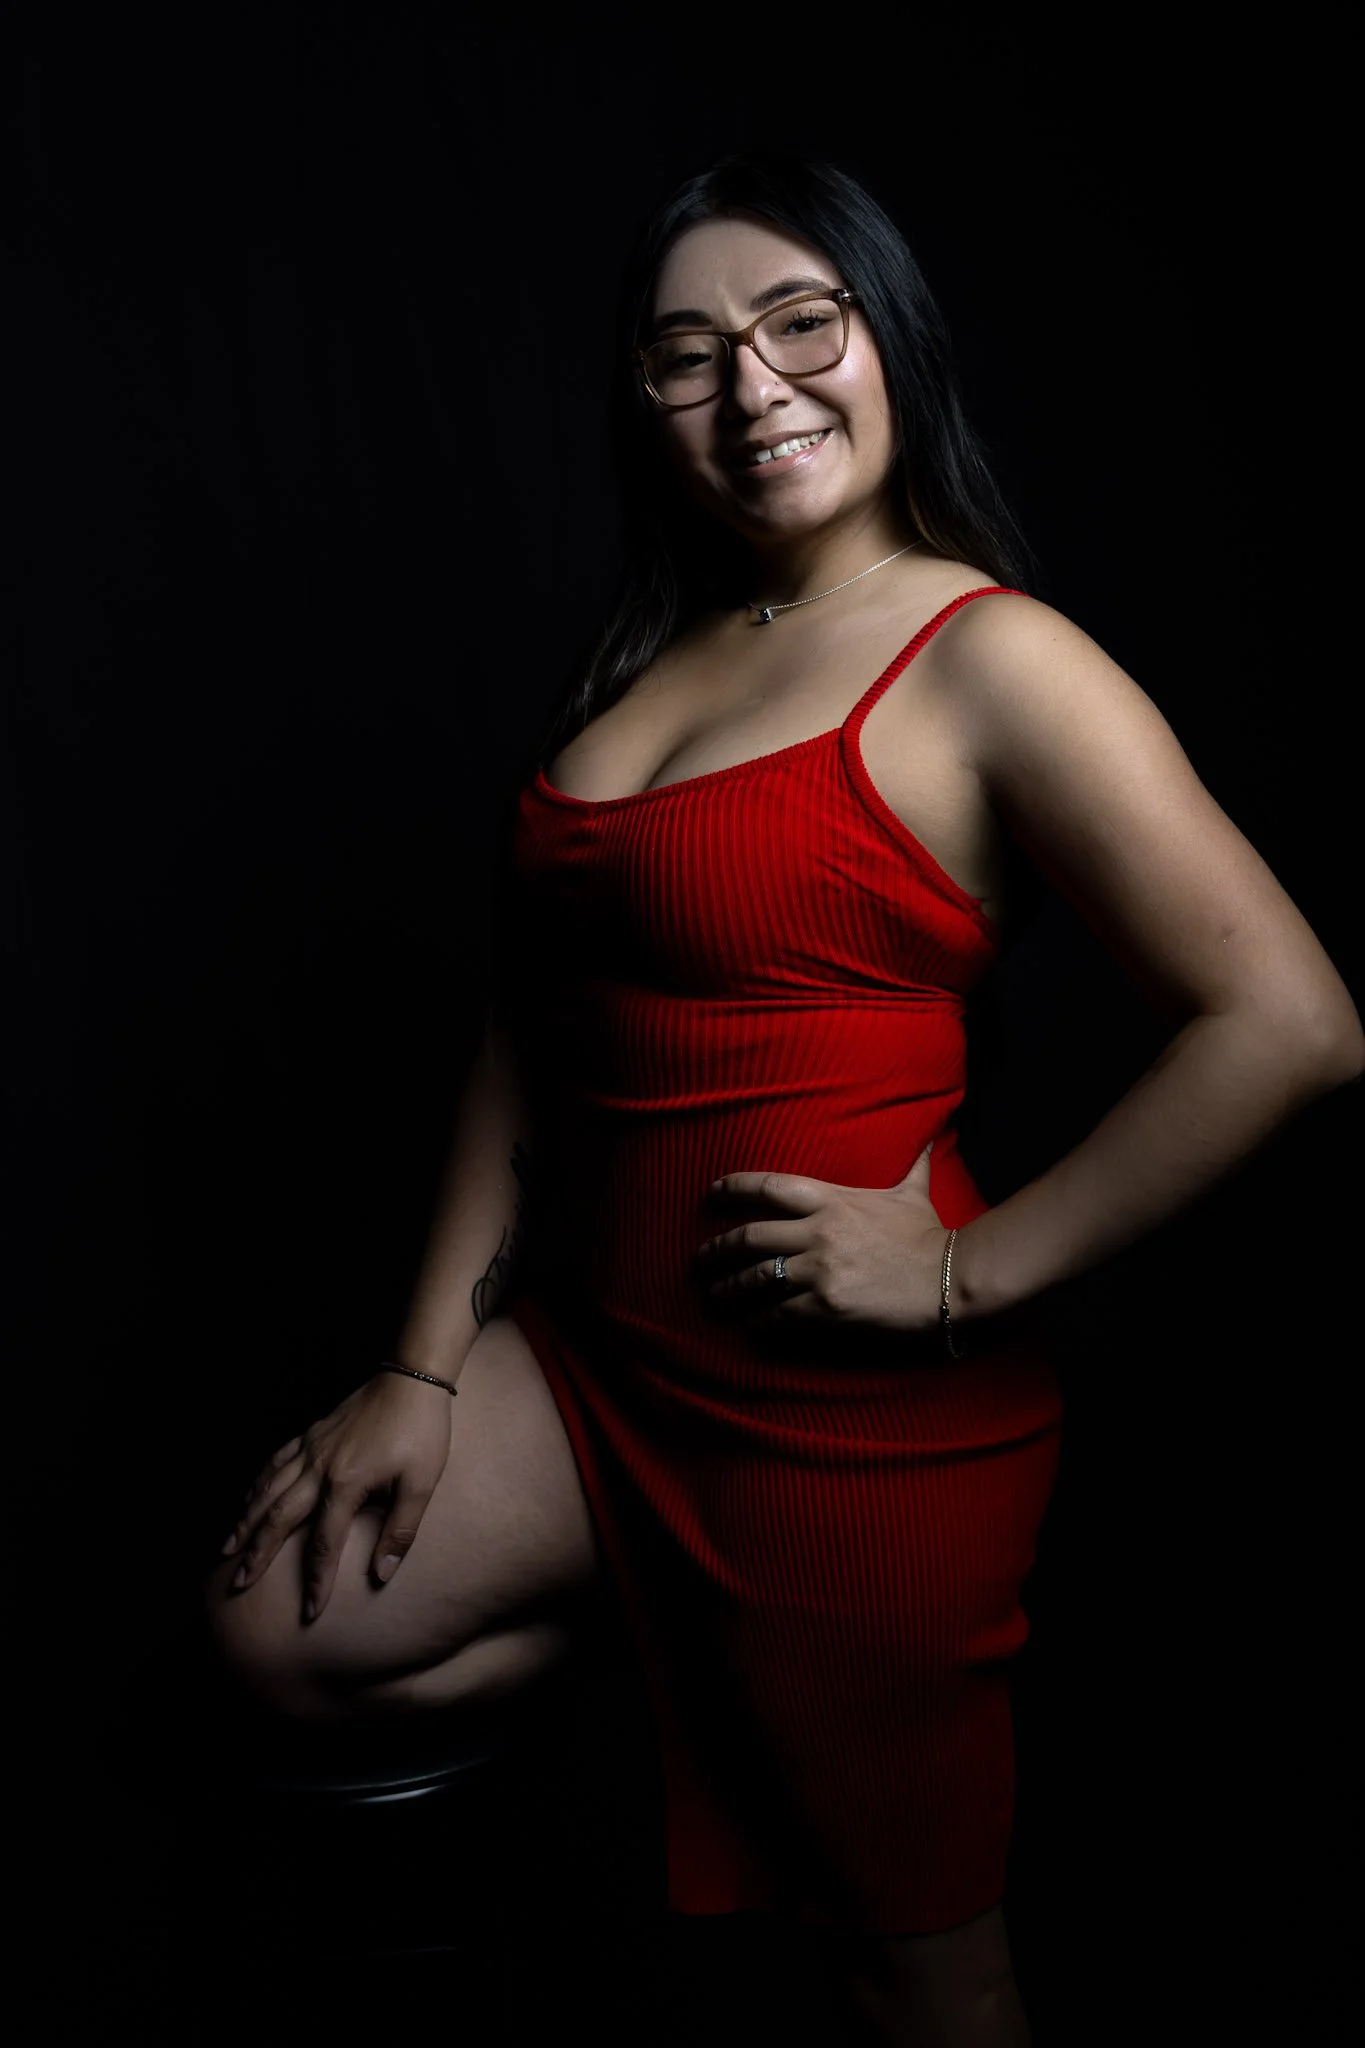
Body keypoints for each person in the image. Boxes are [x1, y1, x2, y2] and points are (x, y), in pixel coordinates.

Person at [206, 150, 1363, 2046]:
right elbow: (531, 1024)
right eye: (687, 355)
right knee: (281, 1631)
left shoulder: (992, 654)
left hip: (846, 1432)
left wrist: (962, 1278)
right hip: (608, 1368)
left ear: (887, 337)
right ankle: (688, 1643)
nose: (754, 389)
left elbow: (1292, 1021)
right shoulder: (651, 660)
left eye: (800, 322)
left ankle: (748, 1650)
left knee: (910, 1974)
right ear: (645, 407)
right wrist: (420, 1364)